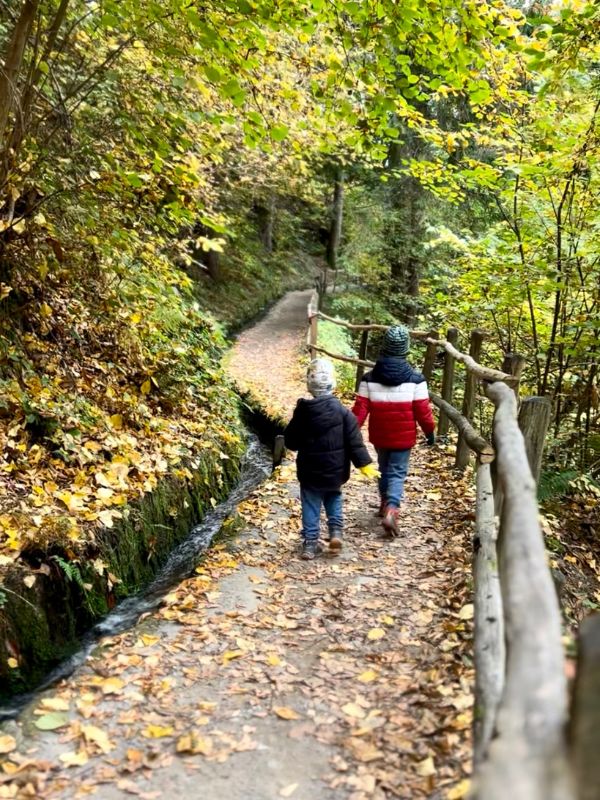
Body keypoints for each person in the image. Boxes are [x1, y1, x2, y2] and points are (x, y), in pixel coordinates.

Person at [284, 358, 378, 560]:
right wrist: (364, 465)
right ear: (333, 383)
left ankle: (310, 544)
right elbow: (355, 442)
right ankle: (335, 532)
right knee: (333, 497)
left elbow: (291, 442)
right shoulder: (344, 413)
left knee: (310, 504)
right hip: (335, 471)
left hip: (310, 472)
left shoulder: (303, 412)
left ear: (309, 385)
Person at [352, 325, 435, 537]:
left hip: (380, 434)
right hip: (404, 437)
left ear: (385, 348)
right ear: (405, 349)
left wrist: (350, 432)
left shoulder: (369, 378)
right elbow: (423, 411)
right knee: (397, 471)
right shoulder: (417, 379)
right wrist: (430, 431)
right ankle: (392, 508)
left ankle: (383, 502)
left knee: (383, 466)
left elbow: (360, 410)